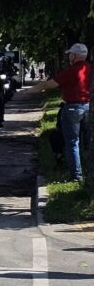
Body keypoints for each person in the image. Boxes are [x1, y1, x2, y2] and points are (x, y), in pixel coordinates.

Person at [51, 43, 91, 182]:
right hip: (88, 107)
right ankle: (89, 173)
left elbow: (53, 83)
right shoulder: (89, 69)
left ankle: (76, 176)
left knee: (72, 142)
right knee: (88, 141)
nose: (69, 56)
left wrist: (33, 89)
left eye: (70, 54)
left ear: (75, 55)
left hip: (72, 108)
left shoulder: (72, 71)